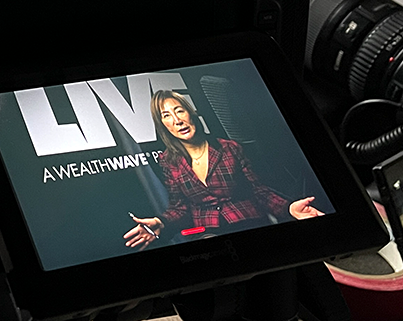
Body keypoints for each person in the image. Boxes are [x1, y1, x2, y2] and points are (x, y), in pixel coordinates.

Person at [124, 89, 323, 249]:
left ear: (191, 113)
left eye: (180, 111)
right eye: (166, 115)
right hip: (208, 234)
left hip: (248, 223)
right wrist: (161, 222)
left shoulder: (229, 148)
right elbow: (180, 208)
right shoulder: (168, 162)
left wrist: (288, 208)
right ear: (163, 125)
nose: (177, 120)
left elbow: (259, 191)